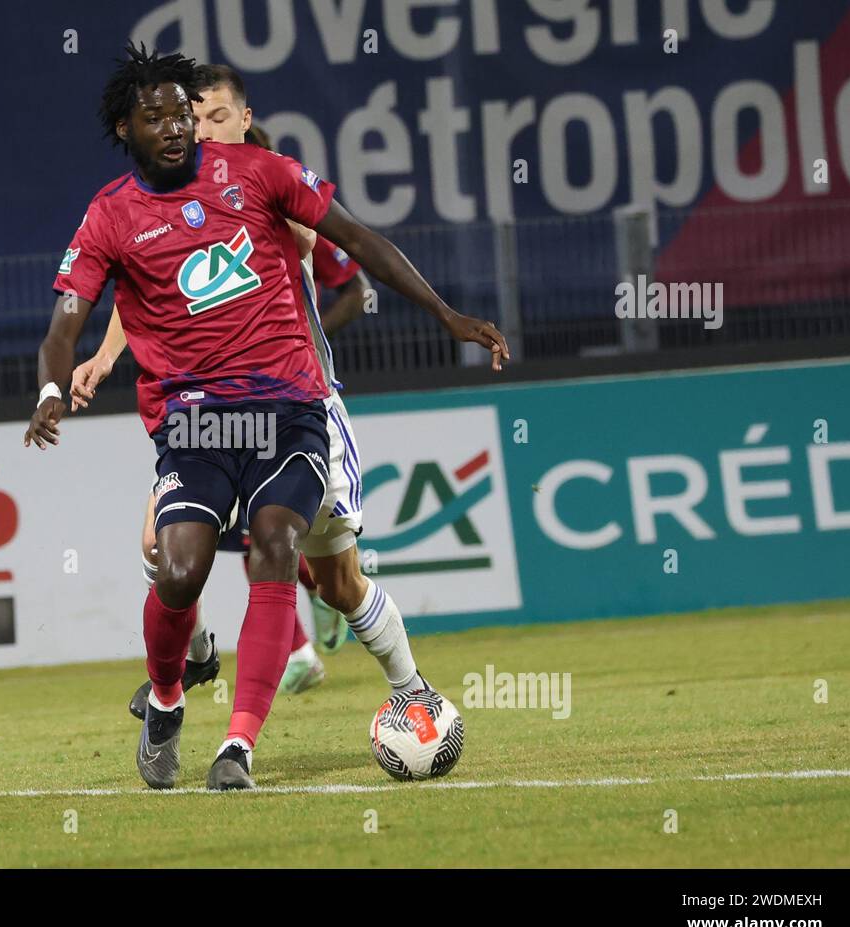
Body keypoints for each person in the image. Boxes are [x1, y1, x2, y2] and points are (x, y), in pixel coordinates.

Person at [25, 45, 507, 791]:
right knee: (175, 564)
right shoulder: (112, 215)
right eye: (161, 117)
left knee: (303, 562)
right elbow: (75, 315)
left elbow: (361, 245)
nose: (182, 127)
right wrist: (58, 386)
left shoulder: (260, 174)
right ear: (126, 129)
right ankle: (169, 694)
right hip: (196, 423)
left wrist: (446, 313)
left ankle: (250, 743)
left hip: (292, 407)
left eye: (190, 112)